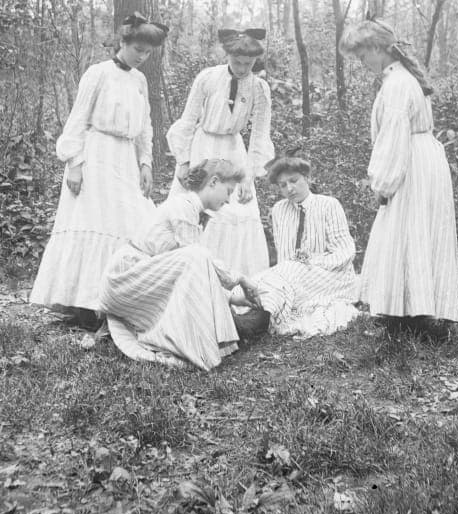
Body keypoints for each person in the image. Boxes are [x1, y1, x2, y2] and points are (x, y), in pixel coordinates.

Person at [29, 12, 168, 326]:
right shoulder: (98, 73)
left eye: (147, 53)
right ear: (122, 42)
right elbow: (77, 120)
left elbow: (145, 126)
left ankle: (119, 299)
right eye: (137, 50)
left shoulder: (140, 80)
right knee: (94, 221)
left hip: (125, 159)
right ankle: (84, 304)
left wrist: (145, 162)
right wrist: (74, 164)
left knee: (132, 220)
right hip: (96, 155)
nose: (142, 57)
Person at [339, 17, 458, 324]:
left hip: (411, 162)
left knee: (411, 231)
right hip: (422, 158)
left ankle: (415, 314)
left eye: (363, 55)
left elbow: (392, 138)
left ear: (379, 49)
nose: (362, 62)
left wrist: (382, 184)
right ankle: (410, 310)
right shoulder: (401, 79)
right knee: (411, 233)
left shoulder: (397, 84)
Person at [99, 159, 261, 370]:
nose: (229, 200)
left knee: (196, 258)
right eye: (228, 191)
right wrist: (238, 278)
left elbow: (199, 274)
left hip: (143, 280)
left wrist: (235, 297)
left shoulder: (192, 210)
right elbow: (198, 257)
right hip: (125, 279)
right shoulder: (183, 206)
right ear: (213, 182)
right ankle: (189, 345)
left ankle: (199, 337)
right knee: (195, 255)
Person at [166, 28, 274, 274]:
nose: (243, 67)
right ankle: (192, 276)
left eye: (249, 63)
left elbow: (259, 135)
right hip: (203, 147)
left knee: (239, 207)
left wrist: (248, 175)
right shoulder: (208, 78)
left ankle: (234, 284)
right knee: (196, 206)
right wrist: (183, 161)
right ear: (228, 56)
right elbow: (188, 120)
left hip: (234, 151)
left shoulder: (259, 88)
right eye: (238, 62)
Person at [231, 155, 361, 339]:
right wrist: (295, 267)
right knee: (256, 279)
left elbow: (345, 252)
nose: (289, 188)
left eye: (294, 181)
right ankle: (233, 318)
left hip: (332, 274)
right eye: (283, 185)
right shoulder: (279, 210)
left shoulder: (329, 204)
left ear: (307, 178)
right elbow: (285, 256)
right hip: (294, 275)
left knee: (287, 271)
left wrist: (312, 261)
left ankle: (258, 322)